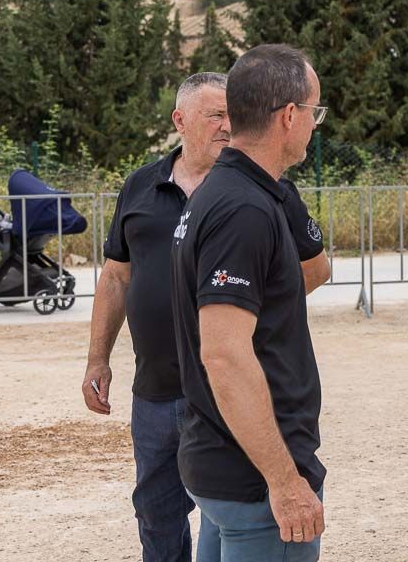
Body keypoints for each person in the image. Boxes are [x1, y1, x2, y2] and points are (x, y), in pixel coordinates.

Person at [81, 71, 329, 562]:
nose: (225, 126)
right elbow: (115, 277)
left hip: (227, 387)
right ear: (180, 120)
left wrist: (240, 306)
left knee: (223, 515)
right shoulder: (142, 186)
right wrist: (97, 358)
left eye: (231, 115)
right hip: (159, 386)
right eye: (215, 115)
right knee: (157, 511)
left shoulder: (266, 191)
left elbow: (314, 269)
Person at [171, 45, 326, 561]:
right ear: (288, 116)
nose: (313, 126)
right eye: (313, 112)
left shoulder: (225, 191)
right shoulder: (243, 208)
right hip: (254, 478)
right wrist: (284, 482)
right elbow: (224, 354)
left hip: (224, 461)